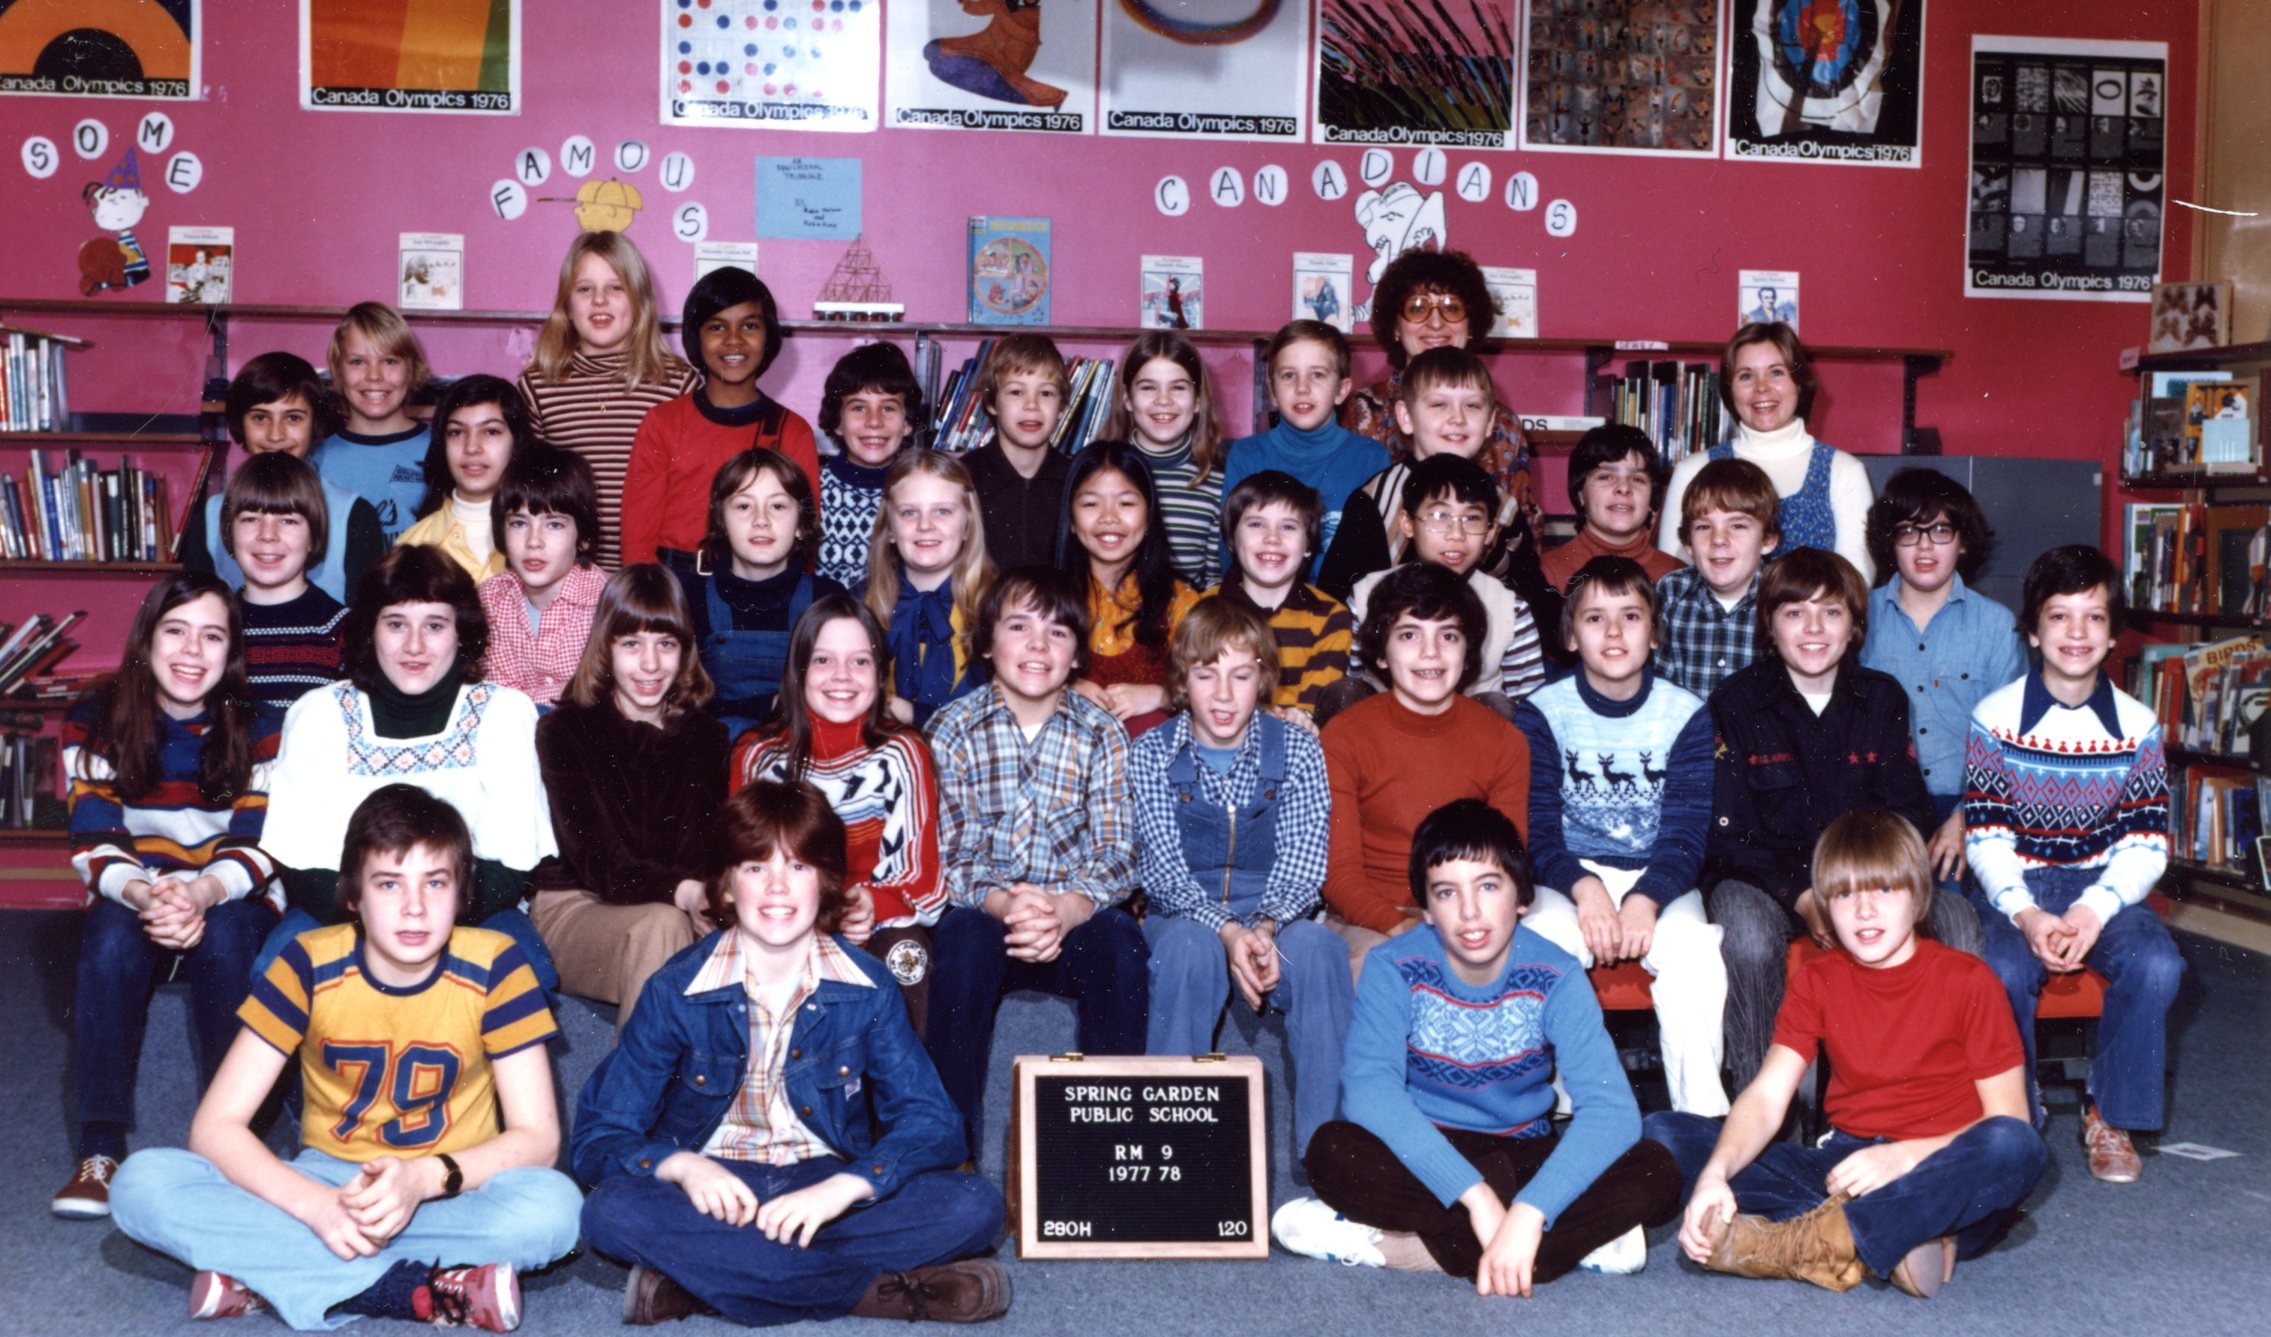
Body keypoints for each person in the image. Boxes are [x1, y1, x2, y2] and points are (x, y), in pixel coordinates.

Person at [108, 785, 583, 1331]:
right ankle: (411, 1290)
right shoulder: (307, 961)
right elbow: (216, 1127)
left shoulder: (498, 964)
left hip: (448, 1188)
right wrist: (317, 1208)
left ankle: (274, 1272)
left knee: (555, 1210)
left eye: (435, 883)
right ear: (353, 895)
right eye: (389, 883)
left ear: (461, 895)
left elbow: (538, 1139)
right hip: (327, 1184)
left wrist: (421, 1179)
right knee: (141, 1183)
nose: (414, 907)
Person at [571, 781, 1010, 1327]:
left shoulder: (868, 986)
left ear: (826, 882)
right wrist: (682, 1165)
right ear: (726, 886)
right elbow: (599, 1136)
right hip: (717, 1194)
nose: (777, 887)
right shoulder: (676, 989)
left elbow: (934, 1122)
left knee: (976, 1205)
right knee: (609, 1212)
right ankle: (875, 1294)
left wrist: (849, 1186)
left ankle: (704, 1283)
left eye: (798, 866)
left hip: (823, 1189)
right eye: (756, 867)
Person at [1278, 800, 1680, 1290]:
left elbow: (1611, 1110)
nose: (1469, 912)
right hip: (1427, 1147)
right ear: (1427, 910)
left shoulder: (1556, 974)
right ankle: (1562, 1246)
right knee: (1332, 1151)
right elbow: (1369, 1091)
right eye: (1447, 893)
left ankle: (1408, 1248)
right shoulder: (1394, 966)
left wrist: (1529, 1211)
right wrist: (1477, 1197)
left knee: (1657, 1170)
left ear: (1523, 898)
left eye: (1488, 887)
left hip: (1521, 1150)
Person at [1647, 810, 2046, 1300]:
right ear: (1824, 906)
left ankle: (1807, 1242)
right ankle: (1894, 1233)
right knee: (1666, 1135)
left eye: (1884, 890)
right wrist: (1715, 1175)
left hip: (1942, 1161)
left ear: (1918, 897)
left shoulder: (1969, 980)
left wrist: (1902, 1158)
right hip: (1847, 1164)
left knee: (2015, 1145)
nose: (1864, 911)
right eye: (1844, 895)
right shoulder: (1817, 978)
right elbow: (1767, 1097)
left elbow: (2009, 1118)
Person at [1704, 548, 1982, 1098]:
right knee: (1747, 933)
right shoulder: (1735, 701)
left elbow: (1907, 815)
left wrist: (1856, 891)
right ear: (1769, 625)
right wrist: (1806, 897)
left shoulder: (1881, 697)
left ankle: (1937, 1099)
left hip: (1864, 879)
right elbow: (1729, 836)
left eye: (1830, 612)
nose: (1813, 629)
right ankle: (1767, 1108)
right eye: (1795, 613)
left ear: (1854, 626)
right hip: (1769, 884)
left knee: (1958, 920)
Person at [51, 574, 281, 1220]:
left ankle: (233, 1144)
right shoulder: (94, 718)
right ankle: (100, 1149)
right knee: (108, 937)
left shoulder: (263, 725)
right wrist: (148, 894)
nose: (191, 652)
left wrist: (202, 891)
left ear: (231, 650)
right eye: (175, 632)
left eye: (212, 636)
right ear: (147, 640)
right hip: (137, 884)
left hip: (230, 886)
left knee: (229, 935)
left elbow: (261, 844)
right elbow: (94, 839)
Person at [1966, 545, 2183, 1184]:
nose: (2077, 633)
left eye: (2094, 617)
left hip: (2102, 885)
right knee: (2001, 968)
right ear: (2033, 631)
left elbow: (2145, 844)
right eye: (2059, 616)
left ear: (2113, 634)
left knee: (2158, 963)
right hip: (2015, 885)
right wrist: (2028, 915)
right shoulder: (1994, 718)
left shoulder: (2138, 726)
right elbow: (1986, 838)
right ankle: (2015, 1108)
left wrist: (2093, 910)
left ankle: (2109, 1113)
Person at [921, 568, 1149, 1150]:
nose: (1038, 646)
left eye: (1057, 633)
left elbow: (1118, 850)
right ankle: (950, 1149)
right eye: (1019, 627)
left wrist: (1067, 908)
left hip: (1073, 917)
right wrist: (1006, 905)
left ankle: (1107, 1143)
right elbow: (952, 852)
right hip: (990, 917)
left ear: (1077, 655)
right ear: (987, 643)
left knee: (1120, 941)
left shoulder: (1101, 732)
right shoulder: (951, 729)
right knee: (960, 941)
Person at [261, 546, 558, 988]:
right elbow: (303, 867)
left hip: (472, 913)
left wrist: (425, 919)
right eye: (396, 624)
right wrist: (386, 922)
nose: (414, 646)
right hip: (340, 912)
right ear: (370, 630)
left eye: (434, 625)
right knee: (276, 974)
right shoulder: (319, 713)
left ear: (461, 633)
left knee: (526, 976)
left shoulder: (503, 713)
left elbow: (508, 866)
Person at [1130, 599, 1349, 1156]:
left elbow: (1304, 858)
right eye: (1207, 675)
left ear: (1264, 679)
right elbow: (1163, 872)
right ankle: (1169, 1150)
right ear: (1182, 681)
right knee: (1187, 950)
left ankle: (1331, 1157)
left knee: (1321, 949)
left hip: (1277, 912)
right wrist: (1228, 932)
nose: (1224, 695)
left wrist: (1266, 927)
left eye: (1241, 676)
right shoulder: (1152, 752)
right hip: (1184, 914)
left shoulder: (1297, 747)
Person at [1515, 557, 1728, 1116]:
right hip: (1568, 875)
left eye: (1631, 617)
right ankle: (1553, 1109)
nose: (1613, 632)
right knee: (1543, 943)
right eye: (1594, 618)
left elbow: (1686, 837)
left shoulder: (1685, 714)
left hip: (1660, 875)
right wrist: (1585, 890)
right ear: (1569, 635)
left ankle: (1700, 1120)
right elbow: (1538, 833)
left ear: (1655, 634)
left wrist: (1645, 898)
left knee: (1695, 955)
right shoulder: (1542, 713)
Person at [530, 565, 729, 1028]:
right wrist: (685, 892)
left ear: (685, 650)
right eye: (631, 644)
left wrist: (706, 900)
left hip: (675, 906)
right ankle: (635, 1078)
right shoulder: (565, 731)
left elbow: (702, 851)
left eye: (666, 644)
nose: (650, 664)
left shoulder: (707, 737)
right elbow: (598, 859)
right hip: (577, 907)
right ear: (606, 647)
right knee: (664, 924)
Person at [735, 596, 946, 1032]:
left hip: (876, 918)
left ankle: (906, 1077)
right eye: (823, 660)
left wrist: (869, 903)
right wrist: (817, 913)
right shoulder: (758, 755)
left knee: (907, 956)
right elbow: (741, 867)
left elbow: (923, 879)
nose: (842, 676)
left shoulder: (903, 752)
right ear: (798, 670)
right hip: (782, 914)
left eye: (860, 661)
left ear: (880, 673)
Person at [1322, 563, 1530, 974]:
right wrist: (1405, 930)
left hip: (1470, 917)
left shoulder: (1505, 742)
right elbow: (1339, 875)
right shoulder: (1344, 736)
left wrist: (1456, 931)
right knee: (1380, 968)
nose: (1430, 652)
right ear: (1381, 653)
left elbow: (1505, 868)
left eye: (1448, 635)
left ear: (1467, 651)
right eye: (1409, 635)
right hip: (1368, 919)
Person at [1860, 469, 2026, 886]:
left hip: (1969, 805)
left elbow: (2013, 741)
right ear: (1890, 541)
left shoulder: (1997, 626)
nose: (1924, 546)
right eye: (1908, 531)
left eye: (1940, 531)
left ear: (1963, 541)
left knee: (1955, 908)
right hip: (1878, 807)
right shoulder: (1857, 617)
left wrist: (1968, 817)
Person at [1317, 346, 1551, 622]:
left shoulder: (1503, 507)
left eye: (1472, 406)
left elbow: (1535, 607)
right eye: (1439, 405)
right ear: (1406, 417)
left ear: (1490, 422)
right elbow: (1335, 605)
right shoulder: (1375, 499)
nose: (1458, 418)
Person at [517, 229, 697, 567]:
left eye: (616, 288)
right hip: (566, 577)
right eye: (585, 289)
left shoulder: (678, 385)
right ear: (568, 306)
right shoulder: (538, 386)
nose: (599, 300)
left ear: (640, 301)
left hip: (650, 579)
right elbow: (529, 498)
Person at [620, 267, 819, 568]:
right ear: (695, 337)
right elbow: (637, 540)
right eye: (717, 327)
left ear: (768, 335)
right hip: (673, 582)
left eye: (749, 326)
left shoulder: (793, 431)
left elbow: (805, 535)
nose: (734, 340)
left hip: (760, 581)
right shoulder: (662, 424)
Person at [1658, 323, 1874, 580]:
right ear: (1729, 389)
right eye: (1746, 376)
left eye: (1776, 372)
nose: (1761, 387)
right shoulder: (1693, 470)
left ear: (1799, 382)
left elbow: (1857, 582)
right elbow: (1674, 578)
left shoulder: (1844, 471)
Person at [1341, 455, 1545, 719]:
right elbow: (1353, 679)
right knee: (1344, 691)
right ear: (1407, 523)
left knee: (1499, 705)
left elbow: (1532, 704)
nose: (1456, 534)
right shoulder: (1364, 595)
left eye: (1472, 518)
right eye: (1440, 516)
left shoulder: (1510, 608)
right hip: (1384, 729)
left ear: (1491, 532)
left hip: (1470, 734)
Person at [1341, 248, 1534, 525]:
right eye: (1417, 308)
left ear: (1471, 325)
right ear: (1395, 327)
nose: (1435, 323)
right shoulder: (1361, 411)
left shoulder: (1503, 422)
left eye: (1451, 308)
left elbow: (1523, 523)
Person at [674, 449, 849, 744]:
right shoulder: (691, 598)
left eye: (778, 506)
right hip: (714, 752)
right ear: (721, 521)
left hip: (807, 749)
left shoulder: (827, 599)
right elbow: (679, 704)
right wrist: (769, 706)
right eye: (744, 506)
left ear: (801, 524)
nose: (761, 520)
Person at [182, 352, 384, 604]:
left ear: (315, 423)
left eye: (293, 418)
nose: (275, 435)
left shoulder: (354, 514)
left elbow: (366, 618)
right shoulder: (210, 516)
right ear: (240, 423)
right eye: (260, 417)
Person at [1219, 321, 1391, 574]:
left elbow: (1377, 561)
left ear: (1341, 390)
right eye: (1289, 375)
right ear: (1273, 391)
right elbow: (1230, 552)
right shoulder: (1246, 455)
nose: (1302, 388)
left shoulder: (1371, 458)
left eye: (1317, 374)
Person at [1058, 440, 1203, 733]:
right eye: (1090, 504)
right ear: (1071, 519)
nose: (1109, 518)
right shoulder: (1046, 600)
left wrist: (1162, 696)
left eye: (1126, 503)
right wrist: (1062, 688)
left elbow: (1216, 686)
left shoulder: (1180, 601)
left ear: (1149, 515)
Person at [859, 450, 995, 728]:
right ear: (890, 529)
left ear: (967, 525)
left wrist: (915, 715)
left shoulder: (998, 606)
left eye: (942, 511)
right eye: (909, 512)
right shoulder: (860, 604)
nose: (925, 525)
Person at [1207, 470, 1351, 720]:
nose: (1272, 538)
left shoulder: (1330, 617)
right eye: (1256, 524)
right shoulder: (1201, 609)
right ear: (1231, 539)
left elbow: (1311, 712)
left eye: (1288, 527)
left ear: (1308, 545)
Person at [475, 447, 606, 710]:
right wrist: (565, 691)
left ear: (583, 537)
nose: (533, 541)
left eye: (554, 524)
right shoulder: (490, 599)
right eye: (519, 523)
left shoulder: (607, 603)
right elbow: (495, 697)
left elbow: (600, 694)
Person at [217, 453, 348, 711]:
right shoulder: (214, 626)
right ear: (230, 531)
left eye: (288, 520)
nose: (268, 535)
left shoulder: (343, 631)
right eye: (251, 519)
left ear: (313, 537)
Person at [1102, 330, 1227, 589]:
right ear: (1127, 398)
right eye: (1148, 387)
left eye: (1178, 387)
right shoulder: (1097, 475)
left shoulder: (1217, 483)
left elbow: (1215, 584)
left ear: (1197, 400)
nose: (1163, 400)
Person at [1654, 457, 1780, 699]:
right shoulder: (1670, 593)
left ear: (1767, 540)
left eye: (1737, 526)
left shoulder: (1784, 597)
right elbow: (1658, 689)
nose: (1719, 539)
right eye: (1704, 527)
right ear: (1688, 543)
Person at [311, 301, 433, 542]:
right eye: (358, 362)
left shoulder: (441, 448)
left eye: (389, 361)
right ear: (338, 370)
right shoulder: (315, 459)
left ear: (410, 369)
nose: (374, 376)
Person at [397, 375, 531, 583]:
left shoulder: (544, 536)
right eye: (457, 432)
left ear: (516, 442)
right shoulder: (412, 545)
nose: (471, 447)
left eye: (491, 431)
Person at [814, 341, 922, 587]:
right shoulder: (811, 489)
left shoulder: (921, 491)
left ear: (907, 423)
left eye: (888, 408)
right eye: (859, 407)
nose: (874, 422)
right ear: (838, 422)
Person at [961, 333, 1072, 571]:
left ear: (1062, 407)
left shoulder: (1076, 480)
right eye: (1016, 392)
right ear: (992, 403)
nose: (1031, 405)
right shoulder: (963, 476)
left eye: (1046, 393)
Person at [1540, 425, 1686, 591]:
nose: (1624, 488)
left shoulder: (1678, 576)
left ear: (1651, 497)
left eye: (1637, 479)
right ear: (1580, 494)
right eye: (1606, 477)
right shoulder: (1546, 573)